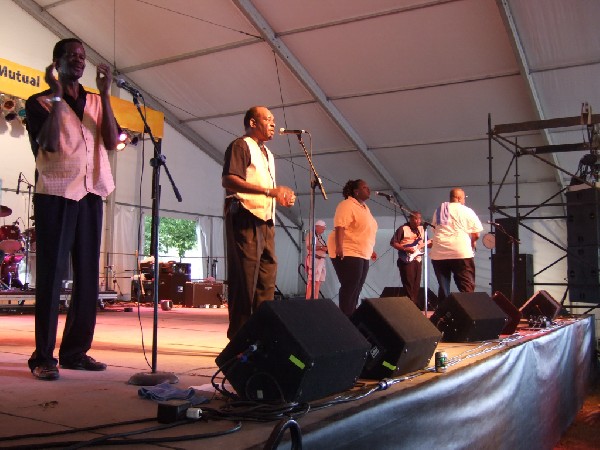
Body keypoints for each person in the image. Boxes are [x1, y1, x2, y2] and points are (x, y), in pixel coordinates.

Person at [24, 38, 120, 380]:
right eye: (72, 56)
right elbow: (48, 142)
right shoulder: (38, 103)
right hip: (56, 193)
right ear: (57, 62)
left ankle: (75, 352)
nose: (79, 61)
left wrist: (106, 95)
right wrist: (54, 94)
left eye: (82, 56)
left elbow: (111, 141)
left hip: (92, 192)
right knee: (52, 276)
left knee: (88, 278)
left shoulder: (95, 101)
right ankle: (43, 357)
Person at [222, 106, 296, 339]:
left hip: (266, 220)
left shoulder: (267, 153)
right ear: (253, 123)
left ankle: (261, 337)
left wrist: (281, 196)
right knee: (245, 281)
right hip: (245, 215)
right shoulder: (241, 145)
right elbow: (229, 179)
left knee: (266, 280)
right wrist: (268, 191)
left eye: (274, 120)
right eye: (268, 119)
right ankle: (239, 340)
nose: (273, 124)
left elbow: (268, 188)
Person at [328, 179, 378, 316]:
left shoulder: (364, 208)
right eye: (364, 187)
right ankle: (345, 318)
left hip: (362, 252)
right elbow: (340, 226)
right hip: (348, 250)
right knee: (350, 285)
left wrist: (370, 249)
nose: (368, 189)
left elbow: (364, 230)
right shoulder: (347, 204)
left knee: (357, 287)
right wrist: (339, 247)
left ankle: (351, 315)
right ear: (356, 191)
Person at [430, 188, 483, 302]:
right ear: (459, 198)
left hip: (439, 253)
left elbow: (435, 230)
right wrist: (473, 241)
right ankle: (469, 313)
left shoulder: (440, 210)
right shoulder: (466, 211)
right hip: (460, 252)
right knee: (466, 286)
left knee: (444, 288)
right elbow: (476, 233)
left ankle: (444, 315)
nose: (465, 200)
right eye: (464, 198)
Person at [390, 211, 426, 306]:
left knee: (416, 285)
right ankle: (411, 306)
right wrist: (405, 248)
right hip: (406, 259)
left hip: (418, 259)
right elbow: (393, 242)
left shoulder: (422, 230)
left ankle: (413, 305)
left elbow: (427, 244)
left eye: (419, 219)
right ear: (410, 219)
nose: (418, 221)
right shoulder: (403, 229)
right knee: (408, 283)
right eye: (415, 218)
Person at [305, 219, 328, 299]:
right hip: (314, 260)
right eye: (322, 228)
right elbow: (309, 247)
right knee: (312, 281)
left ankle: (315, 298)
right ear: (317, 227)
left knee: (318, 281)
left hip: (321, 261)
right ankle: (308, 300)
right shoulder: (311, 235)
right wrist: (322, 248)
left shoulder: (319, 236)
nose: (324, 230)